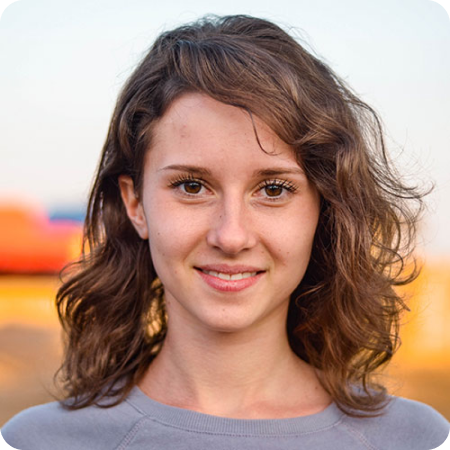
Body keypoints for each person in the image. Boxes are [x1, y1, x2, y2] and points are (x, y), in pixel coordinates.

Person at [2, 14, 449, 450]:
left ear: (324, 208)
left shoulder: (415, 440)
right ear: (135, 204)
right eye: (192, 187)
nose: (231, 237)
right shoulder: (39, 442)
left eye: (273, 189)